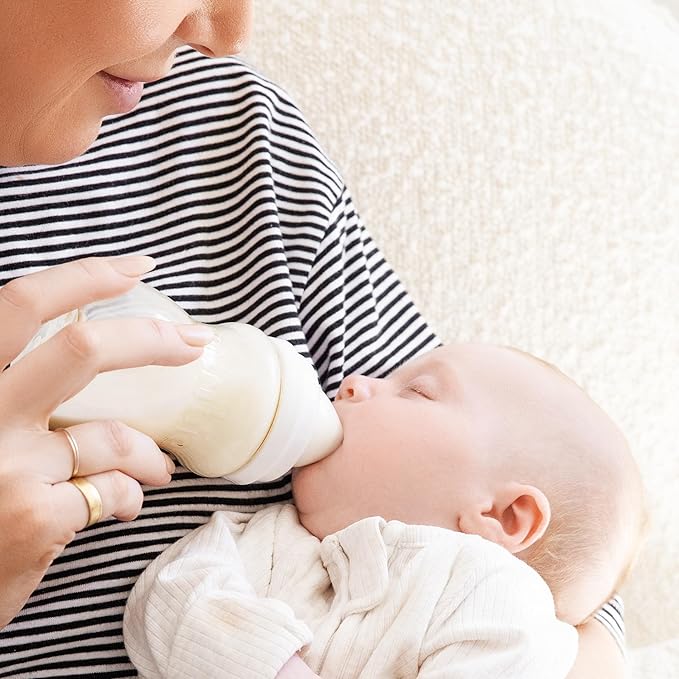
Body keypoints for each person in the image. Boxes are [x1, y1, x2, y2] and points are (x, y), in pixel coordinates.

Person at [0, 2, 626, 677]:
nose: (226, 33)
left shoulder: (229, 132)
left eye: (412, 390)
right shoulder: (238, 552)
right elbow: (177, 600)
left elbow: (570, 561)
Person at [122, 343, 644, 678]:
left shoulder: (494, 597)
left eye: (415, 391)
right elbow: (170, 595)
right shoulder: (268, 537)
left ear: (503, 517)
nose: (353, 382)